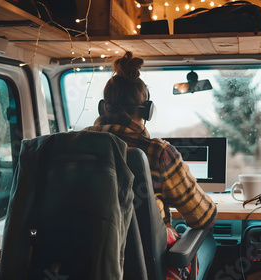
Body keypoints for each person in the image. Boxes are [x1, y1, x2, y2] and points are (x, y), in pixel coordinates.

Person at [83, 52, 217, 280]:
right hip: (146, 270)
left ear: (102, 108)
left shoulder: (73, 148)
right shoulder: (158, 153)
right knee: (205, 239)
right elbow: (203, 217)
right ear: (147, 111)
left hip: (85, 265)